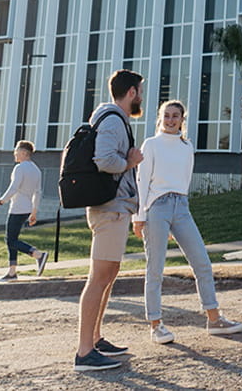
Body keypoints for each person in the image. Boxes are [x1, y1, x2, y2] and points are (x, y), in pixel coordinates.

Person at [132, 99, 242, 344]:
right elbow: (141, 182)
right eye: (167, 115)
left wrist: (176, 220)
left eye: (176, 116)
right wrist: (138, 217)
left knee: (202, 263)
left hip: (181, 207)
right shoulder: (150, 145)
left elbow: (184, 181)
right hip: (156, 208)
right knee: (155, 269)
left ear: (183, 120)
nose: (171, 120)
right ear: (160, 118)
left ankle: (214, 319)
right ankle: (156, 324)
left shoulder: (187, 146)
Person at [74, 69, 145, 372]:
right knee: (98, 279)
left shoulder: (112, 118)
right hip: (109, 208)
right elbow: (104, 160)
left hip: (115, 207)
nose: (141, 96)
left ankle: (96, 339)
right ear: (131, 92)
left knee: (108, 275)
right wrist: (130, 161)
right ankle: (84, 352)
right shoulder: (114, 120)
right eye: (139, 91)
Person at [0, 140, 48, 282]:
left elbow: (13, 188)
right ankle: (12, 272)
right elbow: (38, 192)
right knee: (12, 239)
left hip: (17, 208)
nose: (14, 153)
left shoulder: (20, 168)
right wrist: (34, 212)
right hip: (27, 209)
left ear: (23, 152)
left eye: (16, 151)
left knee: (10, 240)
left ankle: (38, 254)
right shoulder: (36, 170)